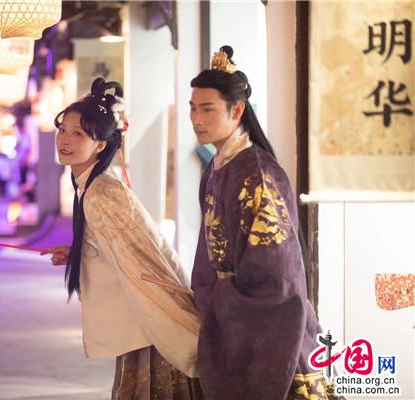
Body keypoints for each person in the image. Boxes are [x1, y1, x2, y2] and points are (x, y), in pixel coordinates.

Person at [189, 46, 342, 399]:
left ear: (236, 110)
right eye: (193, 108)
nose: (196, 118)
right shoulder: (218, 167)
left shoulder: (257, 174)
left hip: (271, 329)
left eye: (207, 108)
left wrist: (221, 298)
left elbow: (277, 275)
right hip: (231, 313)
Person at [42, 78, 202, 399]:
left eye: (78, 134)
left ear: (100, 145)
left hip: (146, 322)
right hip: (138, 319)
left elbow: (140, 265)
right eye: (63, 130)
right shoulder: (93, 186)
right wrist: (79, 251)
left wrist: (178, 323)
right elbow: (116, 247)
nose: (65, 140)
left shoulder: (101, 193)